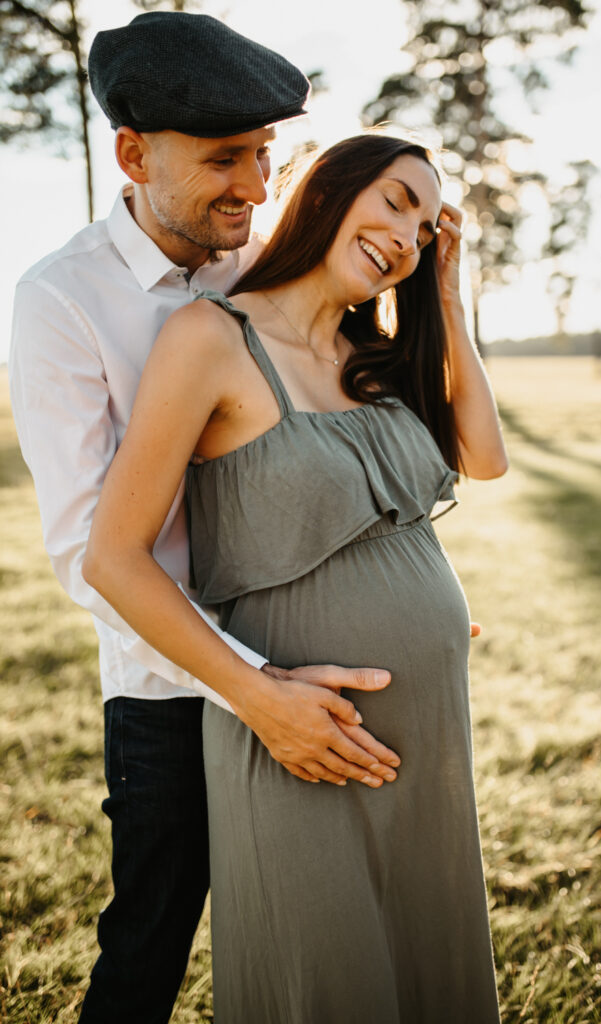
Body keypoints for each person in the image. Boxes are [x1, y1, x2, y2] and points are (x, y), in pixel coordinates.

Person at [9, 14, 404, 1023]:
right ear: (132, 154)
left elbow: (343, 431)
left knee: (337, 929)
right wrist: (249, 689)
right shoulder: (61, 302)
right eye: (225, 159)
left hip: (318, 659)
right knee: (150, 937)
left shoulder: (270, 268)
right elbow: (88, 554)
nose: (255, 187)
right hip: (167, 689)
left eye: (266, 155)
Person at [84, 131, 508, 1021]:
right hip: (298, 739)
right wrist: (256, 697)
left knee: (429, 975)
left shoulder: (371, 362)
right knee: (329, 983)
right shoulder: (212, 338)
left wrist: (445, 296)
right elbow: (111, 558)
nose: (406, 234)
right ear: (328, 189)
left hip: (427, 737)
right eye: (395, 201)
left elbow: (484, 455)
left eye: (425, 227)